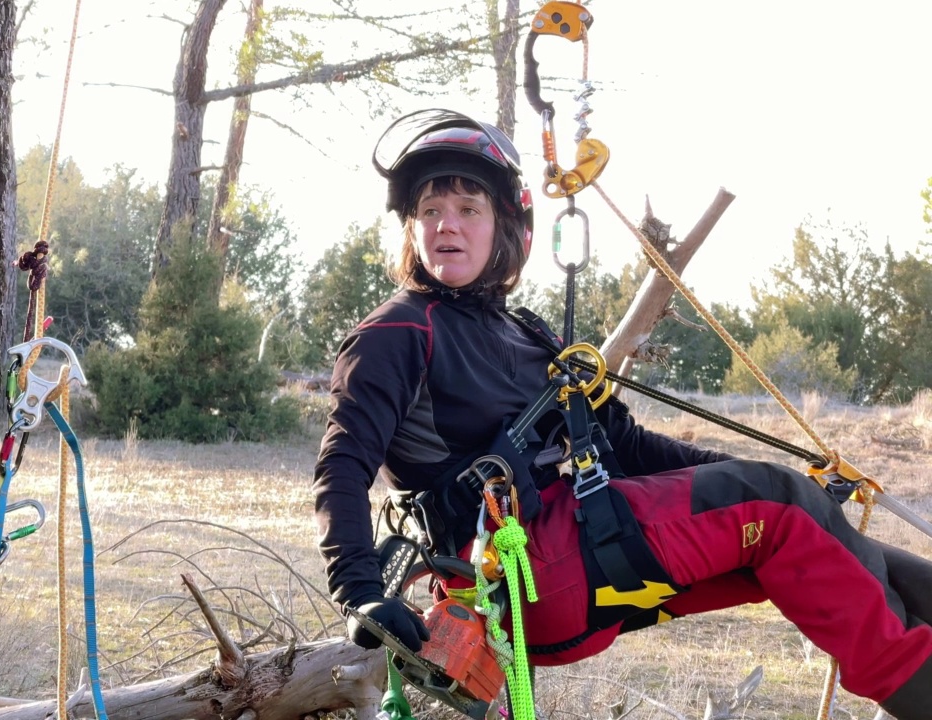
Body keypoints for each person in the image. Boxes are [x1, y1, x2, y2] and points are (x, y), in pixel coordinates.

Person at [312, 108, 932, 718]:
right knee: (779, 509)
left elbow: (627, 445)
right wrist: (360, 593)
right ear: (411, 228)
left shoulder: (525, 332)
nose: (447, 225)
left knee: (826, 535)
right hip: (526, 572)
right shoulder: (395, 333)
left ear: (504, 226)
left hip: (587, 546)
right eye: (430, 211)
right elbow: (342, 464)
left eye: (468, 209)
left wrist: (790, 482)